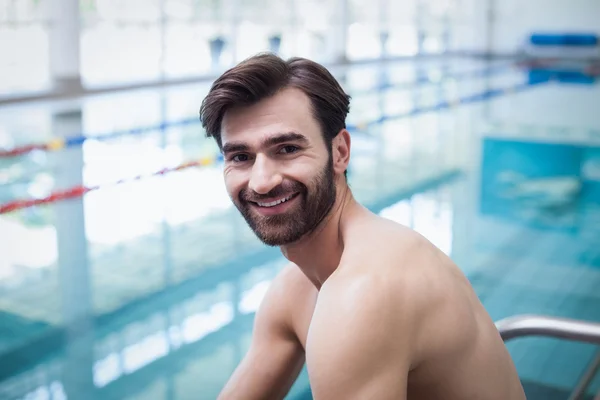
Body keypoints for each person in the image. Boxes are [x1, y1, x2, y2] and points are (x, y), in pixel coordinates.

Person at [199, 53, 526, 400]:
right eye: (240, 157)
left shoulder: (365, 293)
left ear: (339, 152)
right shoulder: (296, 290)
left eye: (287, 149)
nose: (262, 182)